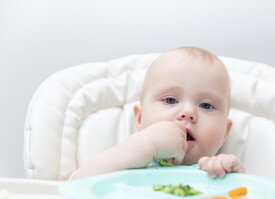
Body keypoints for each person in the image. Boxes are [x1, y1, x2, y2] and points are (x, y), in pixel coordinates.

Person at [71, 47, 245, 180]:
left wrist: (236, 179)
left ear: (225, 132)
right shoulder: (128, 159)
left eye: (206, 105)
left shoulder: (219, 173)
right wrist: (147, 144)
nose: (188, 113)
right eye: (170, 100)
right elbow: (77, 184)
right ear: (139, 118)